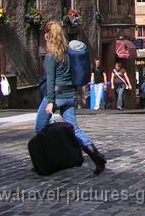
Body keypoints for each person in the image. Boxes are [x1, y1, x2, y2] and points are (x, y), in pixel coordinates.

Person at [35, 21, 106, 174]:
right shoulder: (69, 53)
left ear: (48, 35)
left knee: (40, 126)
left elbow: (51, 80)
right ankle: (97, 157)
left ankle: (45, 162)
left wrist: (50, 102)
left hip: (56, 95)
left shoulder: (51, 56)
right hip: (71, 96)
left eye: (45, 34)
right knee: (74, 129)